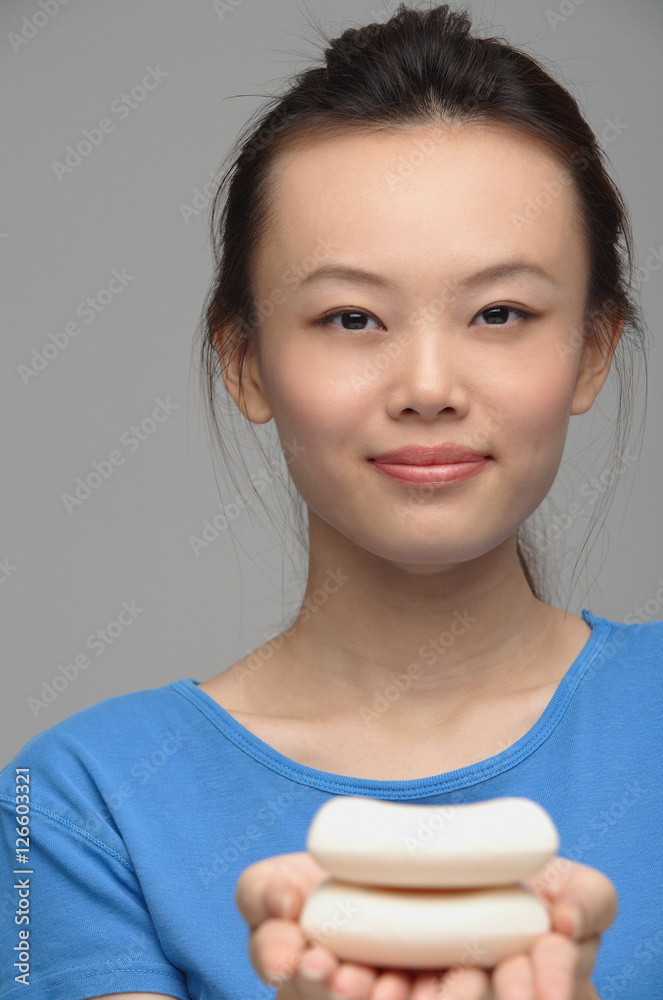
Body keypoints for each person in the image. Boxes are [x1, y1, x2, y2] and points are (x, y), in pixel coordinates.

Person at [0, 3, 660, 1000]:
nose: (429, 384)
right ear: (247, 362)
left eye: (501, 312)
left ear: (593, 349)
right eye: (351, 316)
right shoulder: (73, 808)